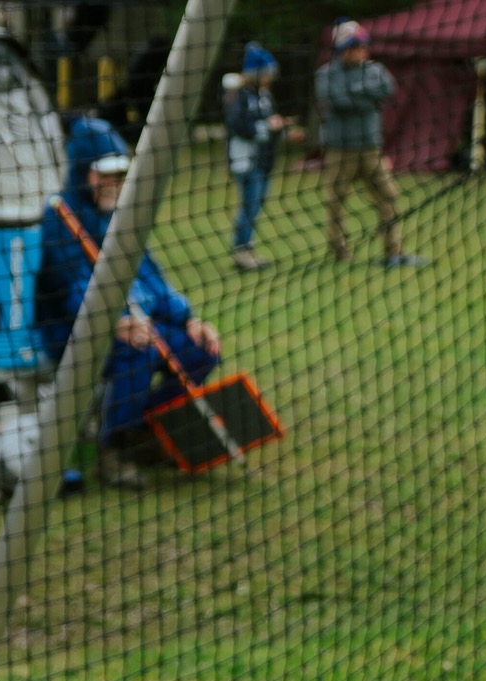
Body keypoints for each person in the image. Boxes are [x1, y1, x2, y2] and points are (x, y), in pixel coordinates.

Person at [36, 117, 222, 490]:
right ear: (84, 173)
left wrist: (188, 319)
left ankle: (150, 431)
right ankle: (115, 449)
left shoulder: (123, 217)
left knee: (200, 352)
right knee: (139, 350)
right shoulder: (60, 217)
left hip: (135, 323)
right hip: (70, 332)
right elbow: (73, 287)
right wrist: (114, 323)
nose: (115, 183)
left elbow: (151, 278)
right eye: (105, 174)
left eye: (121, 174)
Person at [315, 19, 423, 268]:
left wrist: (356, 94)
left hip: (371, 148)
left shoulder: (375, 70)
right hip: (340, 150)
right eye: (355, 47)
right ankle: (340, 252)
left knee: (389, 196)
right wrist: (365, 96)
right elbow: (337, 100)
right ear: (343, 50)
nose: (362, 51)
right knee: (336, 202)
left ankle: (393, 251)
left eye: (363, 45)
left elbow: (387, 90)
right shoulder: (326, 74)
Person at [224, 41, 295, 272]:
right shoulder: (241, 96)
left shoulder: (265, 96)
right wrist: (267, 125)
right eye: (265, 73)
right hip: (246, 161)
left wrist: (281, 127)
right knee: (249, 206)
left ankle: (247, 248)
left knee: (255, 206)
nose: (269, 78)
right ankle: (241, 251)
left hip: (264, 161)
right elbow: (237, 124)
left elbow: (269, 122)